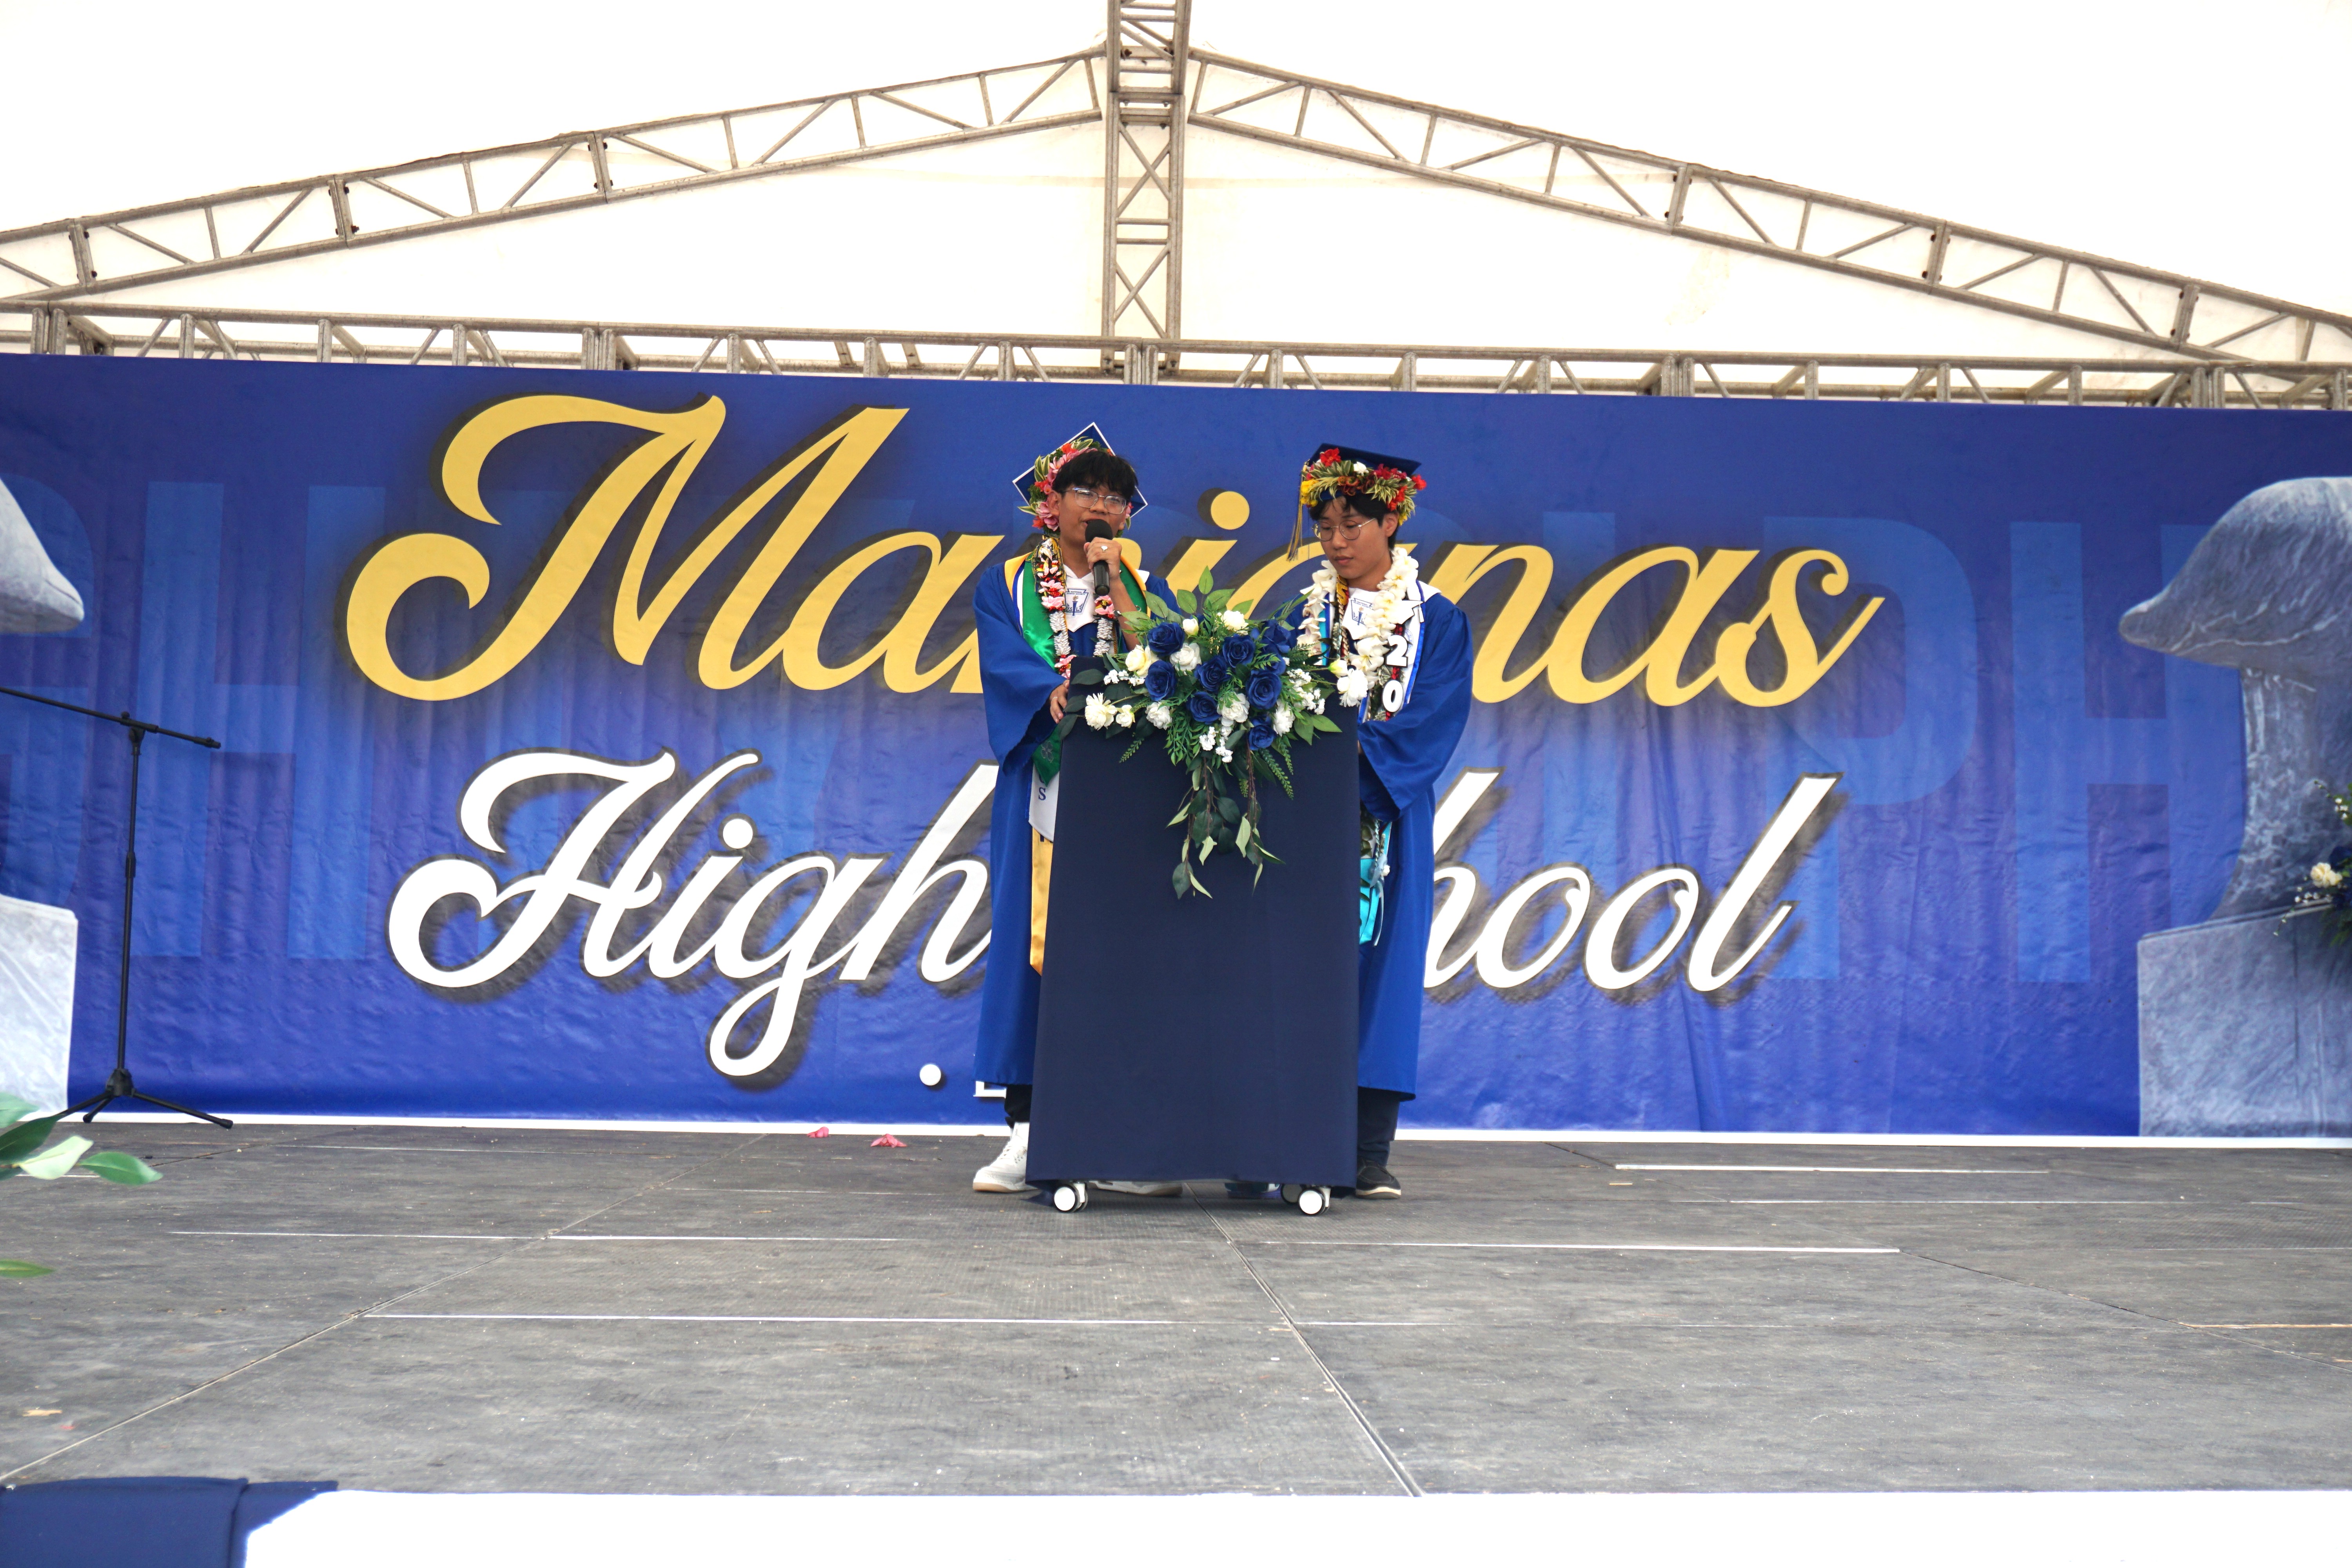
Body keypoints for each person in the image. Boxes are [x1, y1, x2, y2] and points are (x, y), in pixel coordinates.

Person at [967, 429, 1178, 1198]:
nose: (1102, 508)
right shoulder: (1009, 583)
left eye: (1116, 499)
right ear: (1051, 504)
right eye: (1086, 492)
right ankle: (1027, 1131)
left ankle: (1122, 1136)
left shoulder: (1142, 585)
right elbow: (1006, 662)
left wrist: (1123, 594)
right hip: (1044, 784)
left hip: (1127, 793)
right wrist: (1047, 690)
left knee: (1124, 953)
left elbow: (1173, 662)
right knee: (1032, 950)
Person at [1294, 445, 1471, 1201]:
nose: (1336, 542)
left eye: (1352, 525)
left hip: (1385, 817)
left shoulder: (1437, 620)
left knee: (1382, 973)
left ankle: (1368, 1151)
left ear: (1392, 521)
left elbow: (1432, 720)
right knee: (1298, 971)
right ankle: (1286, 1134)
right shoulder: (1303, 614)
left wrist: (1350, 766)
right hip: (1302, 821)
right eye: (1325, 527)